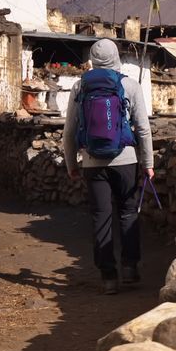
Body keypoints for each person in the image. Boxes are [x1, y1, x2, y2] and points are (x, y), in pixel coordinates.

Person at [63, 39, 153, 294]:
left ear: (92, 58)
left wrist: (72, 164)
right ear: (116, 58)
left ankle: (108, 277)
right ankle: (130, 267)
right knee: (127, 212)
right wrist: (148, 163)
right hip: (126, 160)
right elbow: (143, 130)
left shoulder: (80, 87)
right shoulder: (130, 85)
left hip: (92, 162)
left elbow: (69, 132)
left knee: (101, 217)